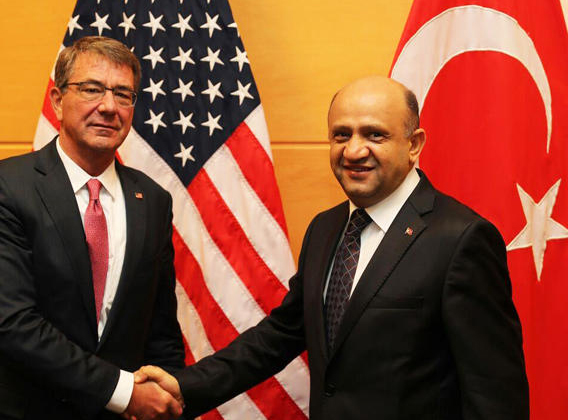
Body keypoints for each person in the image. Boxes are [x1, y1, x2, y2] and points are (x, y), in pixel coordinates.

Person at [136, 76, 529, 419]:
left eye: (374, 135)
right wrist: (185, 386)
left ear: (414, 144)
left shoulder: (461, 239)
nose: (353, 151)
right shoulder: (325, 229)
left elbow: (494, 393)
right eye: (342, 135)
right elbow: (282, 334)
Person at [0, 36, 184, 420]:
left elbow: (160, 330)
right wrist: (124, 393)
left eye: (123, 94)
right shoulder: (3, 187)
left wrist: (167, 397)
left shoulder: (154, 201)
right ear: (58, 101)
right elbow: (12, 324)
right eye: (92, 89)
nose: (108, 106)